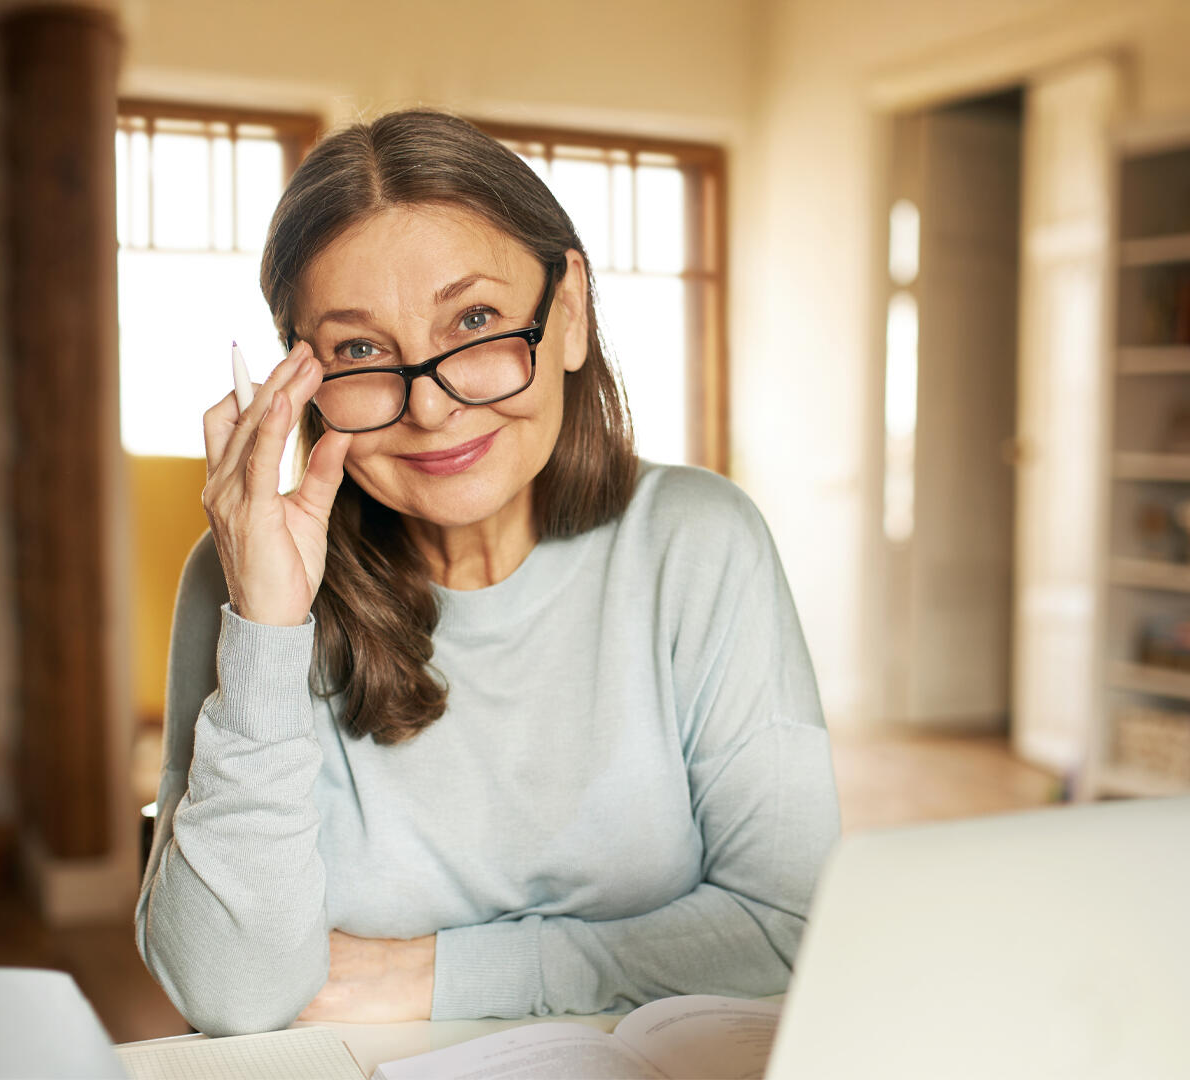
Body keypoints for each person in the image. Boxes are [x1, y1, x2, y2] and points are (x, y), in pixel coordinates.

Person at [134, 109, 840, 1038]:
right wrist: (266, 632)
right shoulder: (242, 580)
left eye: (474, 320)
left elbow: (791, 934)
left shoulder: (700, 543)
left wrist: (440, 975)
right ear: (299, 381)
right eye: (360, 351)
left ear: (569, 312)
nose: (430, 408)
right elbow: (230, 994)